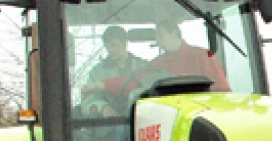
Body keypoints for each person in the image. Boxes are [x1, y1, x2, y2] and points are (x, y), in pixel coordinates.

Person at [90, 20, 231, 96]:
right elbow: (134, 79)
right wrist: (103, 85)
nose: (158, 40)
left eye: (161, 36)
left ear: (174, 33)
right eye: (156, 37)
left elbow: (222, 90)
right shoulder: (158, 63)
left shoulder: (204, 55)